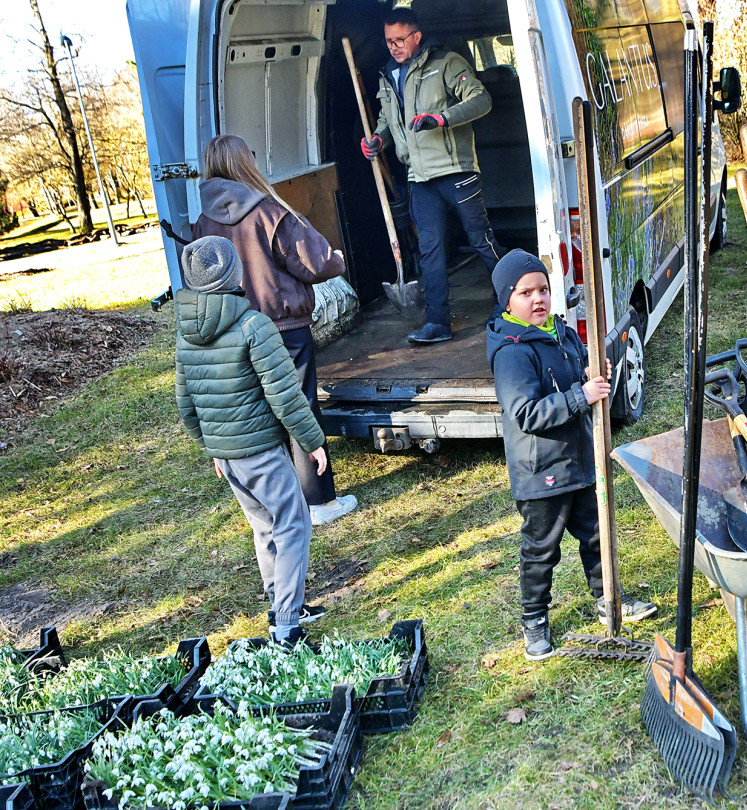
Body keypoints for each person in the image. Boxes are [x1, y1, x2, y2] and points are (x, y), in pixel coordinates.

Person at [486, 250, 657, 661]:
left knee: (596, 532)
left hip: (578, 459)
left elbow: (575, 372)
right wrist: (581, 395)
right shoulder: (511, 351)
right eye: (525, 293)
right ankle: (534, 620)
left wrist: (589, 376)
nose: (538, 299)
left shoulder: (561, 332)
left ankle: (607, 597)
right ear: (507, 301)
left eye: (543, 289)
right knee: (541, 549)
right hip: (540, 470)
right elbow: (526, 412)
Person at [193, 134, 357, 526]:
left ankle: (279, 502)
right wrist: (335, 259)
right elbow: (314, 263)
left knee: (259, 413)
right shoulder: (269, 211)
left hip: (233, 329)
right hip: (283, 328)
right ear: (244, 162)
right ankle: (320, 503)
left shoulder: (203, 222)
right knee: (298, 406)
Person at [174, 236, 325, 647]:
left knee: (264, 528)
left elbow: (187, 406)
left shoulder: (186, 333)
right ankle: (287, 626)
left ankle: (282, 604)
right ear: (233, 274)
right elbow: (285, 394)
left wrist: (214, 448)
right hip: (261, 452)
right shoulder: (252, 326)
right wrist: (312, 440)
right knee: (293, 524)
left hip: (229, 457)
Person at [361, 7, 505, 345]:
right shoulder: (387, 75)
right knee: (430, 251)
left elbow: (481, 99)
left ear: (417, 37)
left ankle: (510, 302)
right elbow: (388, 121)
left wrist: (441, 118)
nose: (394, 46)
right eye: (388, 41)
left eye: (400, 39)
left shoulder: (446, 63)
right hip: (419, 176)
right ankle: (437, 323)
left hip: (456, 170)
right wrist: (378, 140)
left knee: (480, 240)